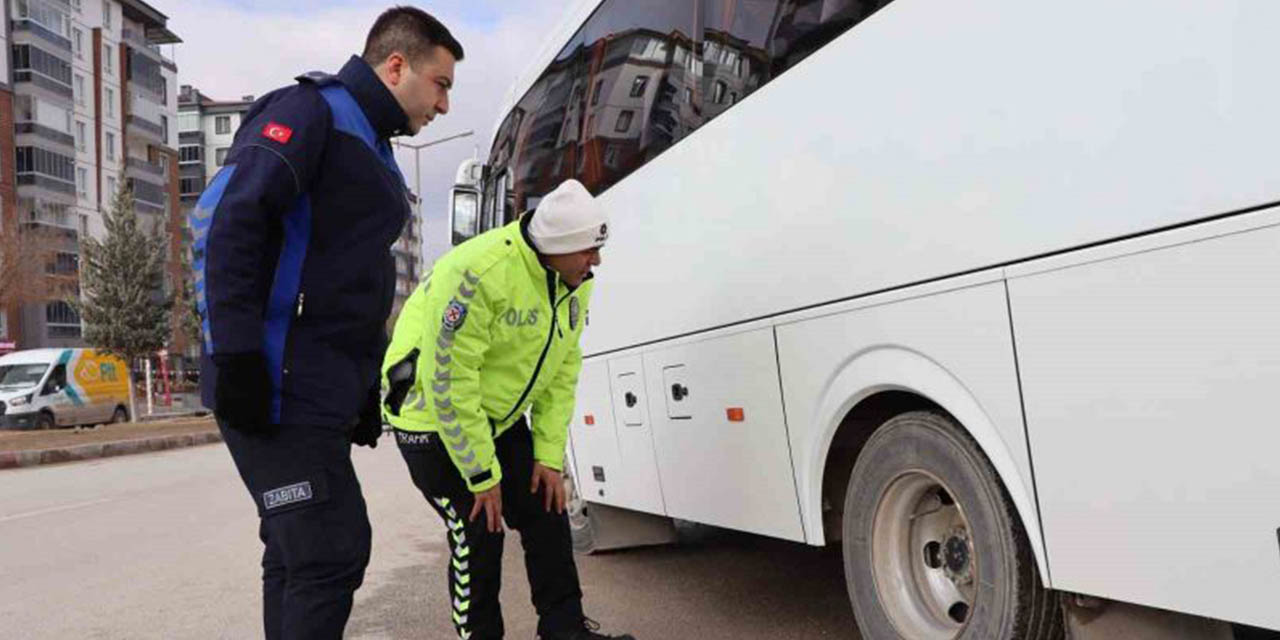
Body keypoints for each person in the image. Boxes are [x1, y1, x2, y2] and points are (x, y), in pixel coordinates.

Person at [188, 7, 463, 639]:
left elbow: (343, 279)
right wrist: (234, 357)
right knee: (330, 548)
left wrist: (364, 385)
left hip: (316, 391)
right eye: (440, 84)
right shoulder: (310, 113)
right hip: (274, 383)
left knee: (296, 553)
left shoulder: (372, 143)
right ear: (396, 66)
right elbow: (230, 222)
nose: (444, 105)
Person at [382, 179, 633, 640]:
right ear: (555, 246)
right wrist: (481, 474)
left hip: (496, 419)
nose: (595, 260)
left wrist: (549, 457)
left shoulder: (573, 280)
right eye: (586, 250)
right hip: (433, 422)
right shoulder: (479, 271)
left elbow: (562, 370)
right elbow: (450, 381)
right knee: (480, 529)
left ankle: (565, 629)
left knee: (547, 504)